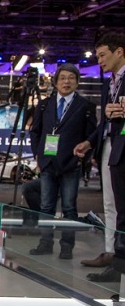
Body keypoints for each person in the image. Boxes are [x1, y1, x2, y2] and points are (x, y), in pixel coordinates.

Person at [29, 64, 97, 260]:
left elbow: (91, 135)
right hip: (47, 163)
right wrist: (37, 154)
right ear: (56, 82)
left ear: (77, 82)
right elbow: (35, 131)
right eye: (63, 78)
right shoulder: (45, 104)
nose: (66, 82)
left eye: (71, 78)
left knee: (69, 207)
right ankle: (45, 242)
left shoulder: (85, 106)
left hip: (71, 164)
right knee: (46, 206)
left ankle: (67, 246)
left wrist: (84, 157)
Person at [74, 32, 125, 285]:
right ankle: (112, 254)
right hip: (109, 146)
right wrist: (90, 142)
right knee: (111, 205)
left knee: (122, 207)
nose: (100, 61)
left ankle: (120, 262)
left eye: (103, 55)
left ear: (119, 52)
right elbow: (105, 122)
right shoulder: (109, 84)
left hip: (123, 147)